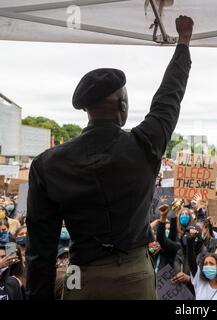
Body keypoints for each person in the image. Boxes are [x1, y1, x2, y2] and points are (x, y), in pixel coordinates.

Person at [25, 15, 194, 300]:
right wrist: (183, 44)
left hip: (79, 275)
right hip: (135, 274)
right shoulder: (144, 144)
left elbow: (40, 249)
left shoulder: (47, 164)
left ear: (86, 109)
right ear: (122, 105)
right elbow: (168, 99)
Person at [186, 227, 217, 300]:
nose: (208, 266)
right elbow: (191, 261)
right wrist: (190, 240)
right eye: (205, 264)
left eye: (211, 263)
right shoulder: (200, 282)